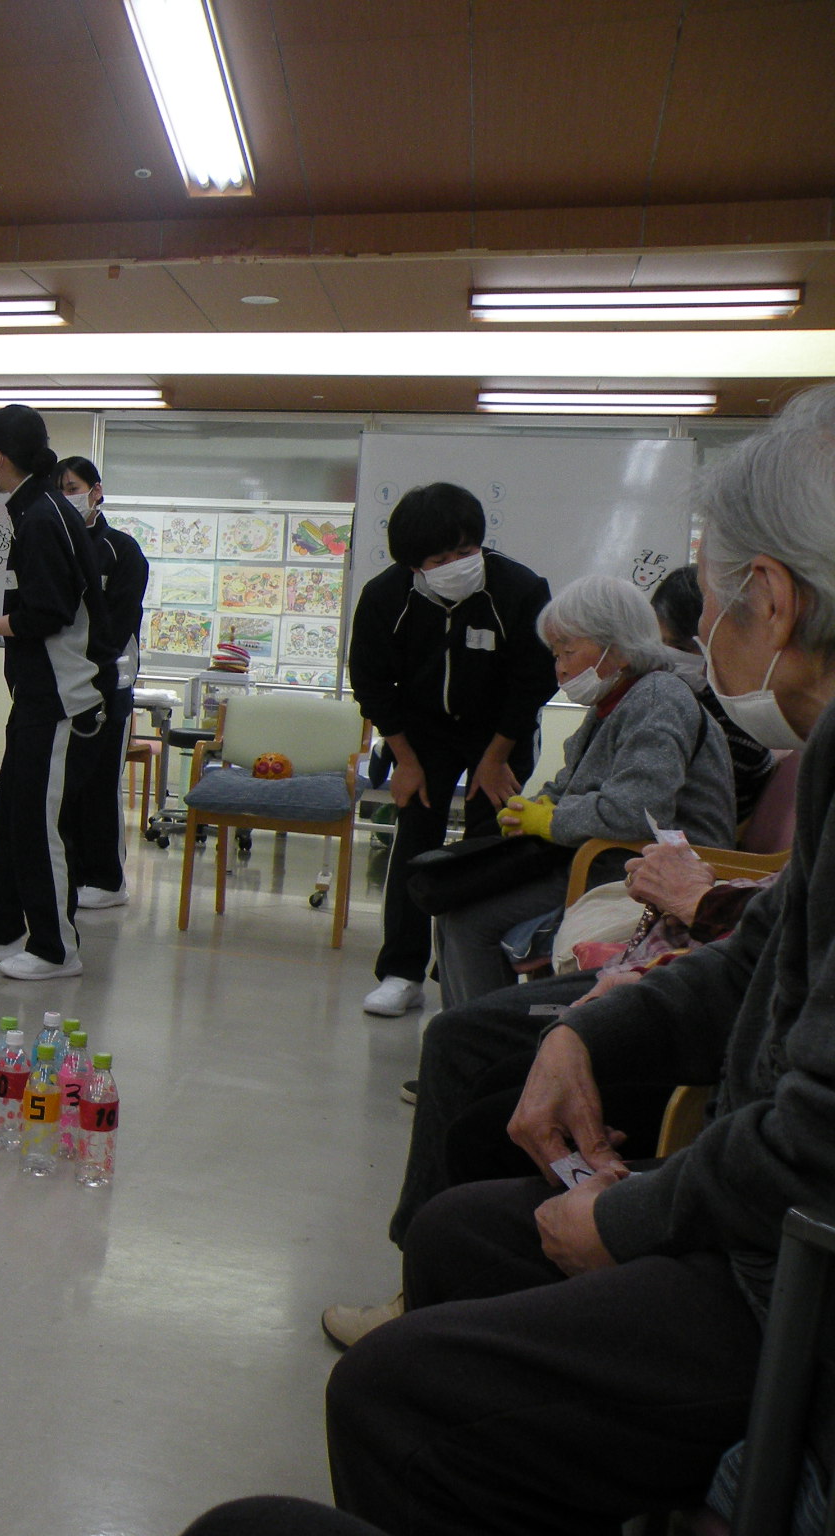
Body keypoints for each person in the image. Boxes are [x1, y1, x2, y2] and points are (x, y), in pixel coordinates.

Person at [326, 386, 835, 1536]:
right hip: (755, 1231)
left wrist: (632, 1217)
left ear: (769, 599)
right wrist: (581, 1032)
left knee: (390, 1398)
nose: (699, 638)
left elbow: (814, 1137)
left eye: (708, 600)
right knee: (456, 1226)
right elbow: (751, 962)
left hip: (792, 1295)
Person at [321, 842, 775, 1349]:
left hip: (670, 960)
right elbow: (761, 945)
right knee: (470, 1030)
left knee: (483, 1099)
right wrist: (580, 1029)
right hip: (662, 962)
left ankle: (438, 1297)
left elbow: (791, 1140)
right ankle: (426, 1283)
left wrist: (697, 901)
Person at [432, 573, 737, 1008]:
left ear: (620, 648)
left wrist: (551, 819)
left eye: (569, 651)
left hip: (643, 868)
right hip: (605, 857)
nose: (559, 667)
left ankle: (487, 1045)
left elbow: (635, 811)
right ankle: (468, 1039)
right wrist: (534, 807)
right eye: (556, 654)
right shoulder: (616, 700)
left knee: (469, 920)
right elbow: (574, 783)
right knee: (451, 906)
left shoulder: (658, 698)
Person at [349, 483, 557, 1018]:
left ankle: (463, 972)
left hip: (500, 730)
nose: (456, 565)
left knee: (488, 849)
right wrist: (405, 760)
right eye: (440, 560)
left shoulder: (520, 589)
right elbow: (371, 682)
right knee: (416, 841)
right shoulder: (385, 597)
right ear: (414, 564)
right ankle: (401, 973)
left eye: (465, 551)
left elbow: (534, 681)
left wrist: (496, 758)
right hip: (421, 733)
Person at [0, 406, 107, 981]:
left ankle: (57, 949)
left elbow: (44, 614)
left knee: (38, 824)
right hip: (34, 695)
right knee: (11, 817)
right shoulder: (33, 509)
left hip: (59, 700)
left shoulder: (42, 516)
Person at [56, 455, 147, 910]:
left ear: (95, 492)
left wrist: (90, 662)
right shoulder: (54, 544)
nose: (66, 497)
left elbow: (119, 622)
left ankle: (107, 880)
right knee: (64, 785)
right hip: (60, 682)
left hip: (109, 681)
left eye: (73, 488)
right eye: (59, 490)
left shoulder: (122, 550)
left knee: (100, 782)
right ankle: (68, 874)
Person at [652, 563, 778, 823]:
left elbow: (679, 803)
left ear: (715, 641)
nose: (667, 658)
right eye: (659, 644)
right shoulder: (676, 697)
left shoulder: (736, 715)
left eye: (680, 648)